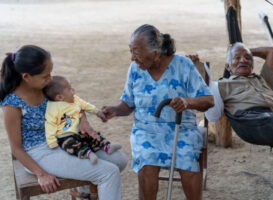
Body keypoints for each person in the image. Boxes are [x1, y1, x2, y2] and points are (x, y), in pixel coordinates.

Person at [99, 24, 214, 200]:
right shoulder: (136, 69)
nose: (132, 58)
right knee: (146, 160)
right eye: (131, 51)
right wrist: (115, 110)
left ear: (156, 53)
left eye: (136, 52)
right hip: (146, 132)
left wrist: (187, 102)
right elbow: (128, 104)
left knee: (187, 162)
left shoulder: (183, 65)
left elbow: (208, 100)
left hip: (180, 129)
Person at [0, 45, 127, 200]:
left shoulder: (44, 87)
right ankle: (85, 191)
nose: (51, 78)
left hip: (64, 140)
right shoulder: (12, 105)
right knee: (108, 172)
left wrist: (83, 120)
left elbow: (71, 101)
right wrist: (42, 174)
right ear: (26, 77)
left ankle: (83, 192)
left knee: (120, 160)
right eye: (45, 76)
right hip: (39, 152)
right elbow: (16, 149)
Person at [203, 42, 273, 147]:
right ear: (228, 66)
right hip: (253, 125)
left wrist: (247, 51)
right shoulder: (221, 85)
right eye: (237, 58)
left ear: (252, 64)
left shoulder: (263, 79)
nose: (243, 60)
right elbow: (211, 114)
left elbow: (272, 51)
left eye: (247, 58)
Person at [43, 75, 122, 164]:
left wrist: (97, 111)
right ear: (60, 97)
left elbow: (86, 105)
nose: (73, 90)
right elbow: (50, 123)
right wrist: (52, 142)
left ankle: (107, 146)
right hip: (65, 135)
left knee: (93, 137)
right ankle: (88, 154)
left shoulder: (74, 99)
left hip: (81, 131)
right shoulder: (52, 108)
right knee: (71, 146)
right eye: (69, 89)